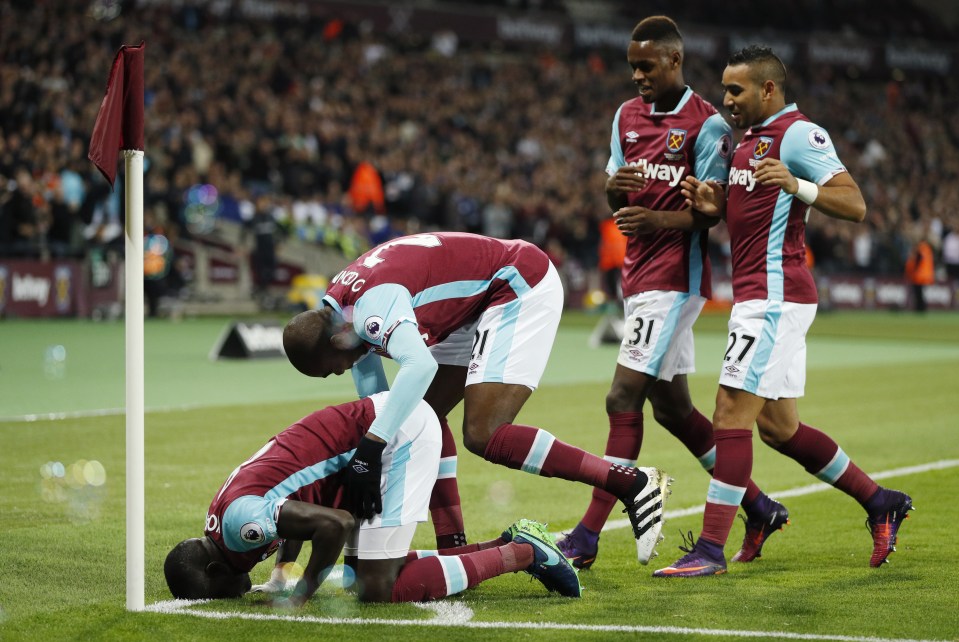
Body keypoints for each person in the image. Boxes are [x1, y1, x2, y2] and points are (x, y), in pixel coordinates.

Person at [655, 45, 913, 577]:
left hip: (774, 298)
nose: (726, 100)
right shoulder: (746, 142)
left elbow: (855, 204)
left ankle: (709, 549)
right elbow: (749, 212)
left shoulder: (798, 134)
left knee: (729, 413)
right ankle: (879, 500)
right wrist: (711, 206)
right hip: (759, 297)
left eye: (736, 91)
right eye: (724, 90)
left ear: (768, 90)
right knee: (779, 427)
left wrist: (798, 184)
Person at [282, 231, 672, 565]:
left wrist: (372, 445)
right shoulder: (339, 309)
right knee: (421, 419)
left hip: (515, 283)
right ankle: (454, 549)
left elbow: (418, 368)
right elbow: (385, 405)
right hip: (469, 304)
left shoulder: (369, 309)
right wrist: (374, 447)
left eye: (331, 368)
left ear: (335, 343)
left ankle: (631, 483)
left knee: (484, 433)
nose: (338, 372)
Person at [557, 16, 786, 571]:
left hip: (675, 281)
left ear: (674, 61)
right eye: (632, 66)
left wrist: (654, 215)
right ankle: (757, 506)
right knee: (672, 408)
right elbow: (615, 190)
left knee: (621, 398)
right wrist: (614, 191)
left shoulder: (707, 125)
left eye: (647, 66)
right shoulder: (626, 116)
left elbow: (711, 214)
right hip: (638, 278)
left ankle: (586, 536)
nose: (637, 76)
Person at [164, 392, 582, 603]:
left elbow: (335, 524)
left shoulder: (239, 528)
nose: (229, 596)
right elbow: (291, 516)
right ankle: (504, 544)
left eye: (215, 591)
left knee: (377, 586)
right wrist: (280, 575)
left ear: (216, 567)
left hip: (392, 437)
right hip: (371, 440)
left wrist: (301, 593)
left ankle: (526, 553)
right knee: (356, 575)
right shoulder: (223, 520)